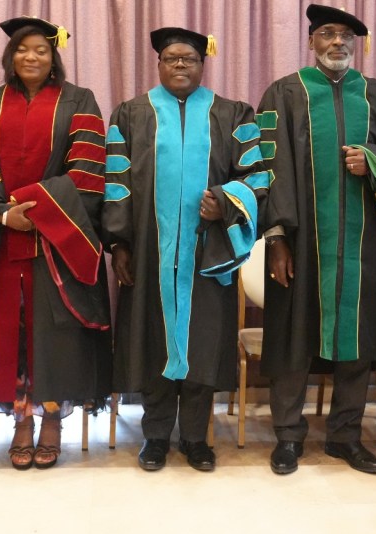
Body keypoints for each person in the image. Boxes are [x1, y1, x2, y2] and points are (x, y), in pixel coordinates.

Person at [257, 4, 376, 476]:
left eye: (347, 35)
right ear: (311, 41)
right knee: (293, 340)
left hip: (362, 242)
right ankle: (288, 436)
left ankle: (345, 436)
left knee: (357, 340)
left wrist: (375, 163)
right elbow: (266, 166)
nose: (337, 42)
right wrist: (276, 238)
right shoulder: (284, 92)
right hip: (301, 240)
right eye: (327, 33)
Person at [104, 28, 268, 472]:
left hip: (207, 250)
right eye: (172, 58)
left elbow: (256, 178)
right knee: (153, 339)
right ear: (158, 64)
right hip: (149, 250)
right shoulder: (131, 114)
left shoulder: (232, 113)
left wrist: (224, 203)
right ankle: (156, 436)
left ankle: (196, 437)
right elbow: (116, 183)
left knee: (202, 340)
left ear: (202, 64)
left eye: (189, 58)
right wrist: (119, 243)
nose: (180, 65)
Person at [0, 16, 112, 471]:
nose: (31, 57)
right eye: (23, 50)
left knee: (55, 334)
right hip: (1, 239)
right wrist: (3, 213)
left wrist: (38, 208)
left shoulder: (79, 100)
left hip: (59, 238)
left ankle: (50, 421)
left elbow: (87, 169)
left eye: (41, 50)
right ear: (10, 57)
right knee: (13, 329)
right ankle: (20, 421)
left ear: (54, 57)